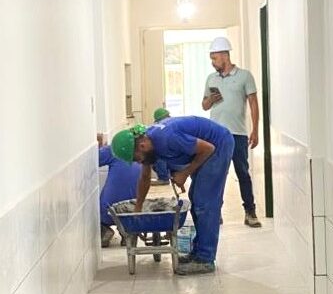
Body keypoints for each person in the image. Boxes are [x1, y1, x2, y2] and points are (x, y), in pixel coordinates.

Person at [111, 117, 234, 275]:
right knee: (196, 197)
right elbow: (145, 178)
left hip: (218, 144)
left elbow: (208, 149)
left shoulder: (166, 138)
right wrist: (138, 208)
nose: (139, 162)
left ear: (141, 146)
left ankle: (205, 259)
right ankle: (198, 253)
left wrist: (185, 173)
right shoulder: (148, 143)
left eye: (136, 158)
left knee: (205, 202)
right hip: (206, 148)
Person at [202, 36, 262, 228]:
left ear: (225, 56)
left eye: (214, 58)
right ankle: (215, 212)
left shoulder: (244, 76)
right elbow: (204, 105)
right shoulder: (211, 79)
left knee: (243, 173)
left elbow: (253, 104)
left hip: (238, 134)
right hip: (216, 136)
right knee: (217, 174)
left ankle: (250, 212)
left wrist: (255, 130)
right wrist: (210, 99)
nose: (213, 63)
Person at [98, 133, 141, 247]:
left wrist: (100, 146)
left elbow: (93, 159)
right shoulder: (141, 154)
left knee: (97, 209)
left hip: (108, 210)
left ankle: (105, 230)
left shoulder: (113, 150)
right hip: (132, 209)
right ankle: (126, 232)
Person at [152, 107, 171, 184]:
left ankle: (164, 178)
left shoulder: (164, 127)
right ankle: (165, 175)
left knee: (158, 155)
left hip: (179, 158)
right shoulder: (171, 124)